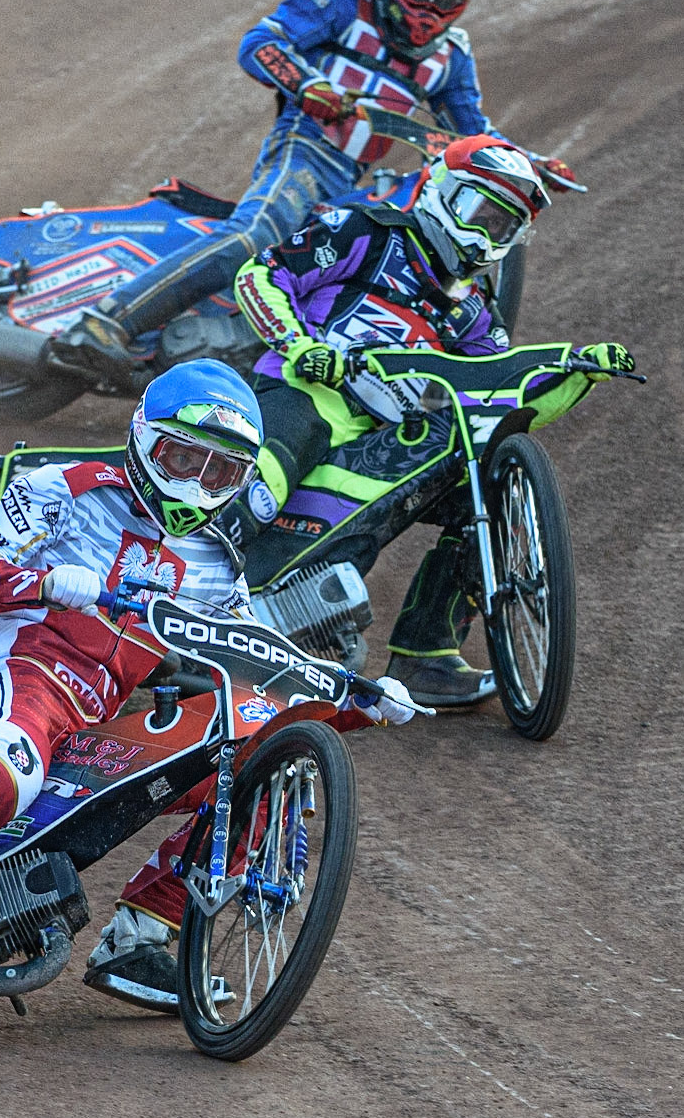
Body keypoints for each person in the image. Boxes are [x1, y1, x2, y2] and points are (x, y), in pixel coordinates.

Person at [0, 359, 418, 1010]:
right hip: (26, 672)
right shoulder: (60, 488)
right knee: (5, 776)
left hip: (100, 716)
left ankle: (139, 940)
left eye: (222, 472)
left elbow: (248, 653)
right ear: (143, 437)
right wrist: (39, 583)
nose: (199, 483)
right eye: (185, 459)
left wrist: (352, 692)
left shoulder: (218, 560)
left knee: (257, 776)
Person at [57, 0, 576, 385]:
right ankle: (107, 321)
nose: (432, 6)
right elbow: (261, 42)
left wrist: (530, 165)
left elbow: (473, 134)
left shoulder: (452, 58)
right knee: (255, 236)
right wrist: (309, 87)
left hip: (352, 178)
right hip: (303, 147)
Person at [214, 133, 634, 706]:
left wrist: (574, 375)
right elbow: (261, 276)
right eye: (480, 212)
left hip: (388, 434)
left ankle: (425, 656)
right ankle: (187, 588)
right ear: (444, 192)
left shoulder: (476, 316)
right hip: (305, 387)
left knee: (486, 487)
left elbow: (497, 400)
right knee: (280, 453)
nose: (489, 234)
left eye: (505, 226)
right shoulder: (365, 230)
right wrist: (297, 344)